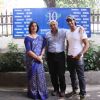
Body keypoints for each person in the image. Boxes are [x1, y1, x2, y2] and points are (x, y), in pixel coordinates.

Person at [65, 16, 89, 100]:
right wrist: (67, 54)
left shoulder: (80, 30)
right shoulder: (67, 32)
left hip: (78, 58)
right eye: (68, 21)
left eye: (71, 20)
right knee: (72, 75)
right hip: (70, 57)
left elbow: (87, 45)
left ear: (74, 21)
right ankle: (74, 90)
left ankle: (82, 93)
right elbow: (68, 45)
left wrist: (80, 54)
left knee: (80, 76)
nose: (69, 22)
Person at [24, 21, 48, 100]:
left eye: (35, 26)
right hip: (31, 61)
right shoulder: (27, 38)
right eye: (32, 26)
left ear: (37, 28)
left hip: (39, 60)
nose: (34, 27)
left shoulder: (41, 37)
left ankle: (42, 92)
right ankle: (33, 93)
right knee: (33, 77)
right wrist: (37, 58)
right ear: (30, 27)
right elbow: (29, 51)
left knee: (40, 77)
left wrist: (41, 56)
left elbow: (43, 47)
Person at [45, 20, 67, 97]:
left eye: (54, 25)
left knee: (61, 74)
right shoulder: (47, 34)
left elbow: (72, 29)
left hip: (60, 55)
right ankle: (56, 89)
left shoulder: (63, 32)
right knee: (53, 74)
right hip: (50, 55)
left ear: (57, 25)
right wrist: (46, 55)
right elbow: (46, 46)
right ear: (50, 26)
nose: (53, 26)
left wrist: (80, 28)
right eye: (51, 25)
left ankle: (63, 90)